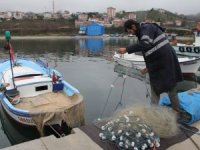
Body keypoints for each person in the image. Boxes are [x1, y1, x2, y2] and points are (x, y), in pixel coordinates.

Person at [118, 19, 183, 113]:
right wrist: (148, 68)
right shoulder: (142, 33)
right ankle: (153, 114)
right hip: (157, 63)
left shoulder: (146, 28)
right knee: (155, 88)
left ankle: (177, 113)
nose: (131, 33)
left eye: (130, 31)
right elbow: (149, 52)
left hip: (166, 61)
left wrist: (126, 49)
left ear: (133, 26)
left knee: (171, 87)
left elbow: (145, 44)